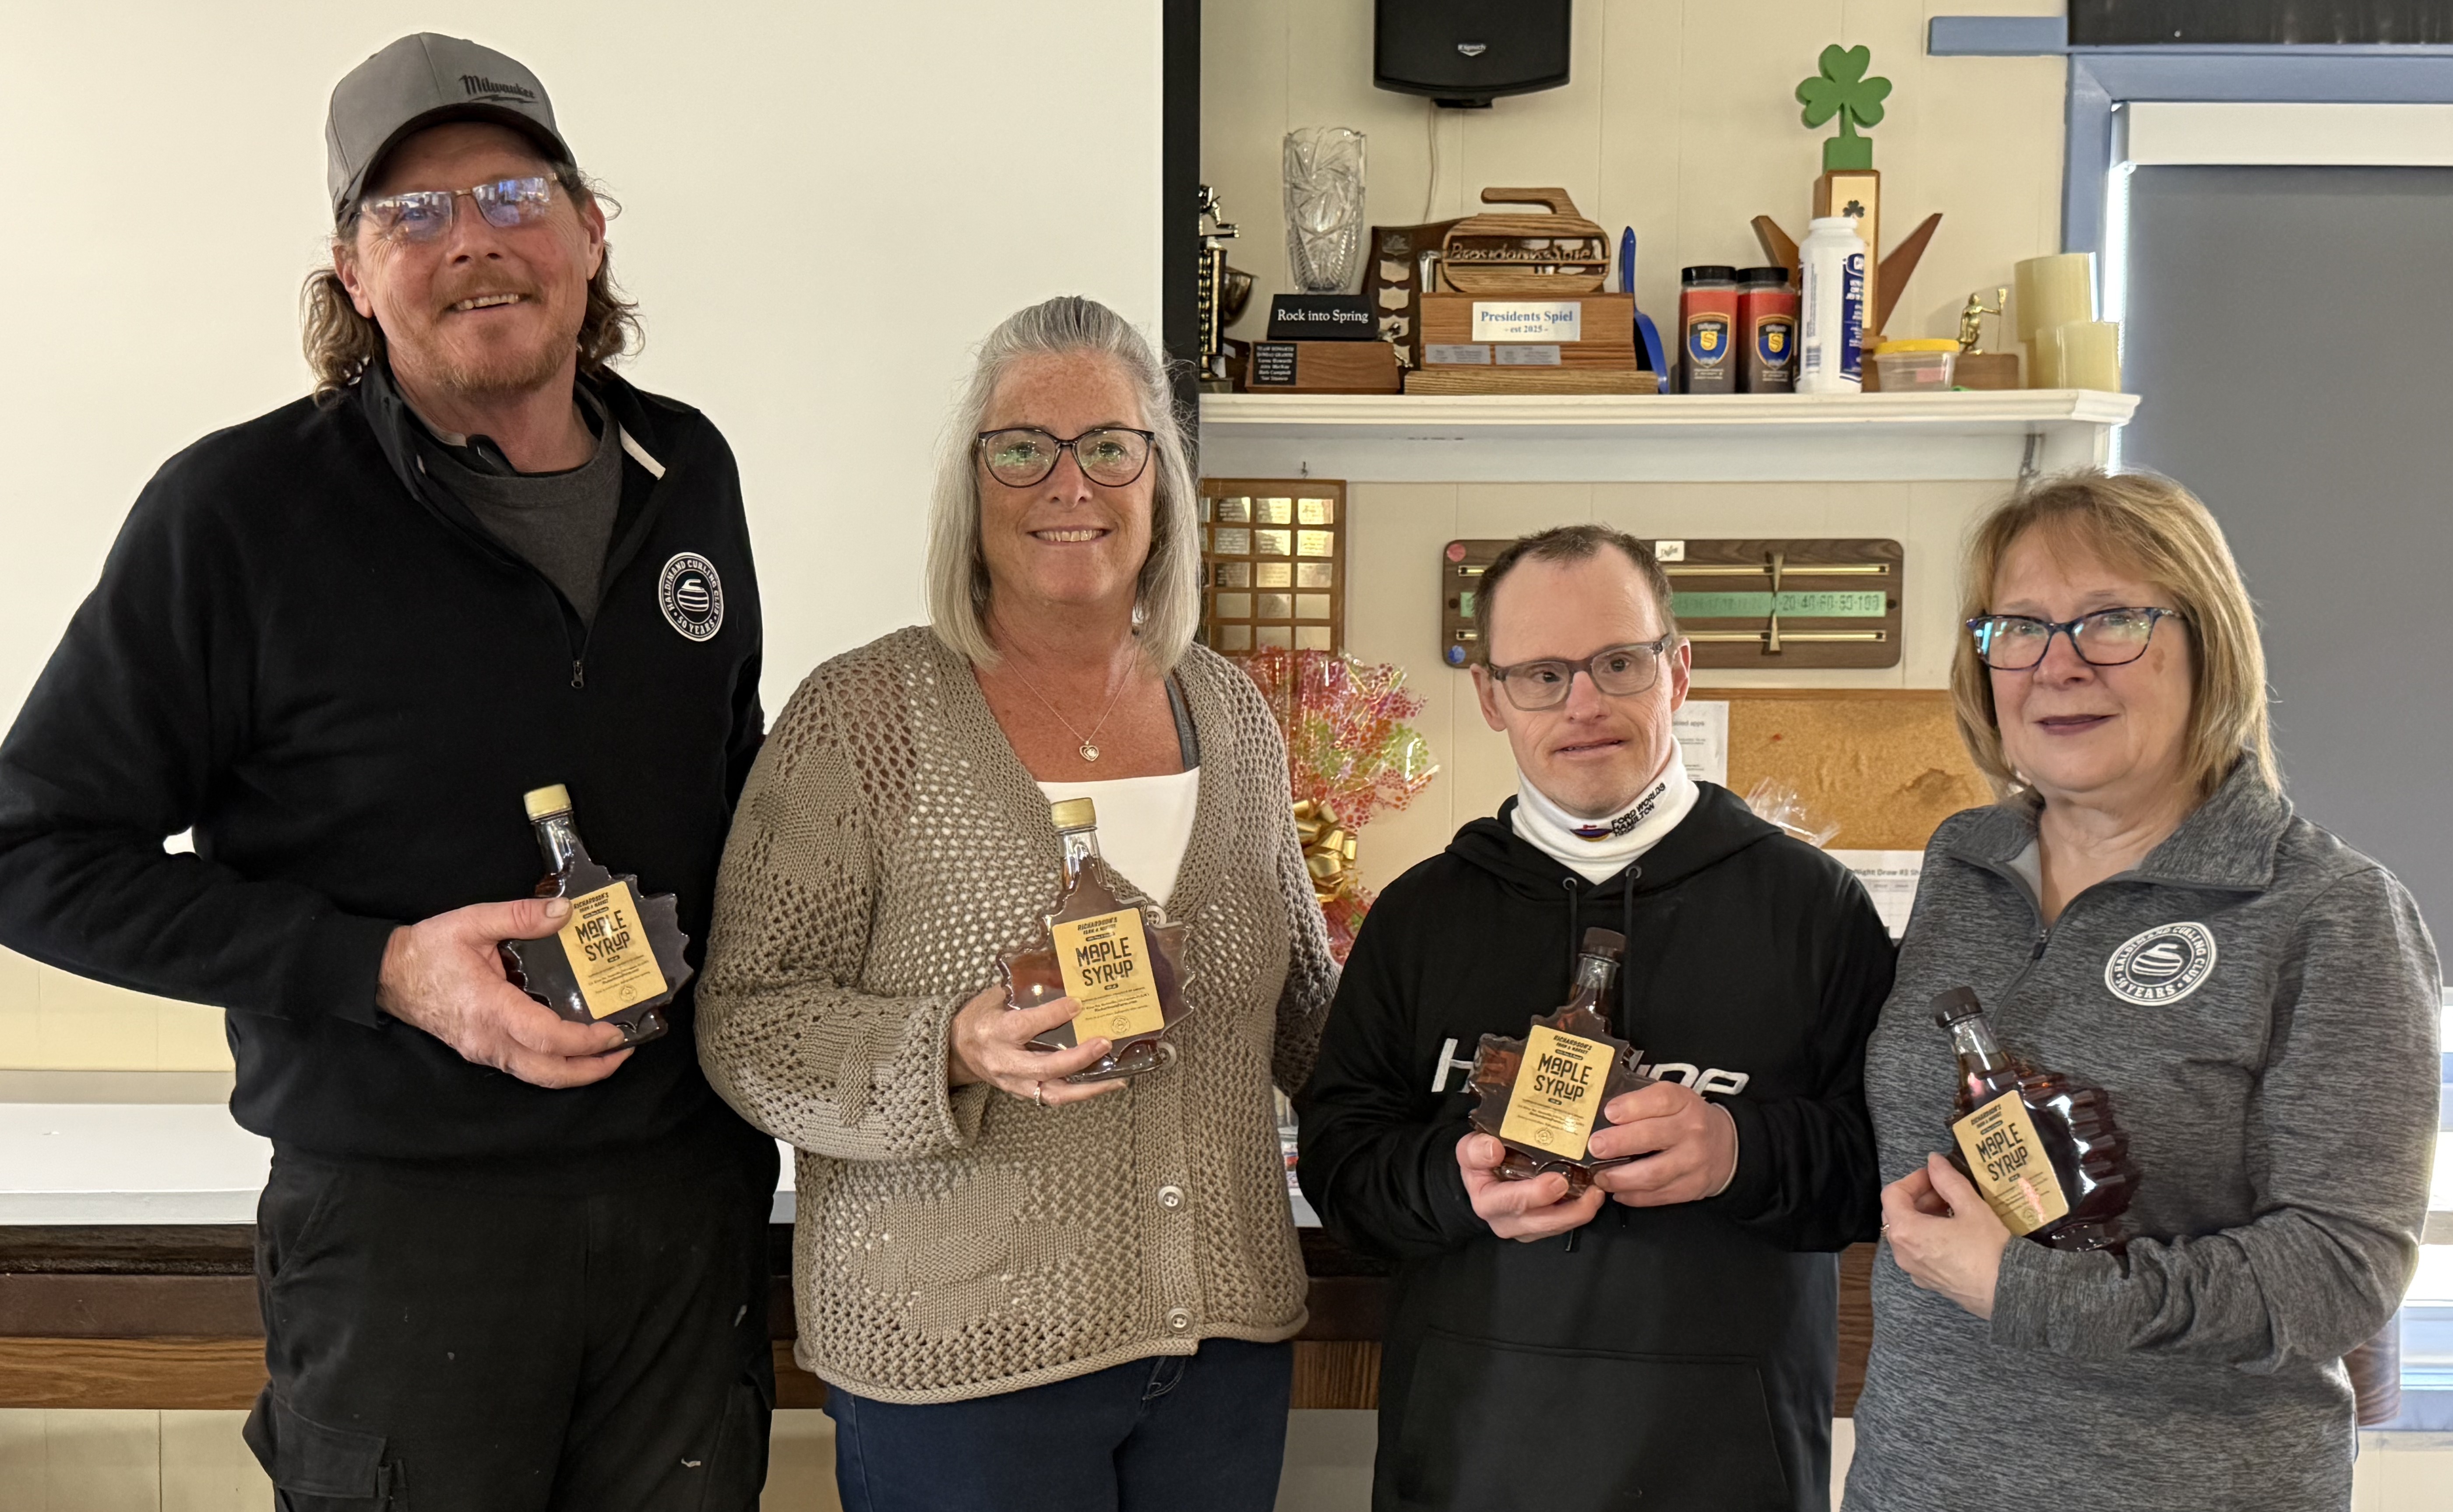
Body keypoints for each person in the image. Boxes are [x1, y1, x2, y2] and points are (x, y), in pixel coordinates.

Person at [0, 34, 777, 1508]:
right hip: (404, 1236)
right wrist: (384, 968)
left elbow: (733, 795)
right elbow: (30, 852)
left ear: (589, 232)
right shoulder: (236, 514)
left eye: (513, 194)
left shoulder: (691, 472)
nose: (473, 239)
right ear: (353, 274)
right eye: (412, 213)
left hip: (685, 1212)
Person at [693, 294, 1337, 1512]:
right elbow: (747, 1023)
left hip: (1221, 1356)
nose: (1068, 483)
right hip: (960, 1370)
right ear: (971, 483)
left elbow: (1309, 1015)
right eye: (1022, 448)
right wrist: (949, 1047)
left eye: (1110, 446)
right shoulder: (863, 716)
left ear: (1160, 483)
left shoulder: (1232, 713)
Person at [1846, 471, 2441, 1511]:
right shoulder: (1963, 862)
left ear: (2208, 645)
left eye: (2110, 620)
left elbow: (2340, 1268)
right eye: (2018, 627)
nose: (2057, 663)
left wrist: (2030, 1290)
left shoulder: (2327, 910)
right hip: (1917, 1480)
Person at [1298, 524, 1895, 1512]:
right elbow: (1340, 1164)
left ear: (1676, 670)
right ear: (1490, 695)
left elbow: (1885, 1170)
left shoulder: (1812, 907)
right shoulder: (1420, 915)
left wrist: (1737, 1151)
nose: (1582, 703)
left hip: (1726, 1467)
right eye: (1541, 674)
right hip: (1464, 1462)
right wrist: (1453, 1182)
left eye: (1618, 662)